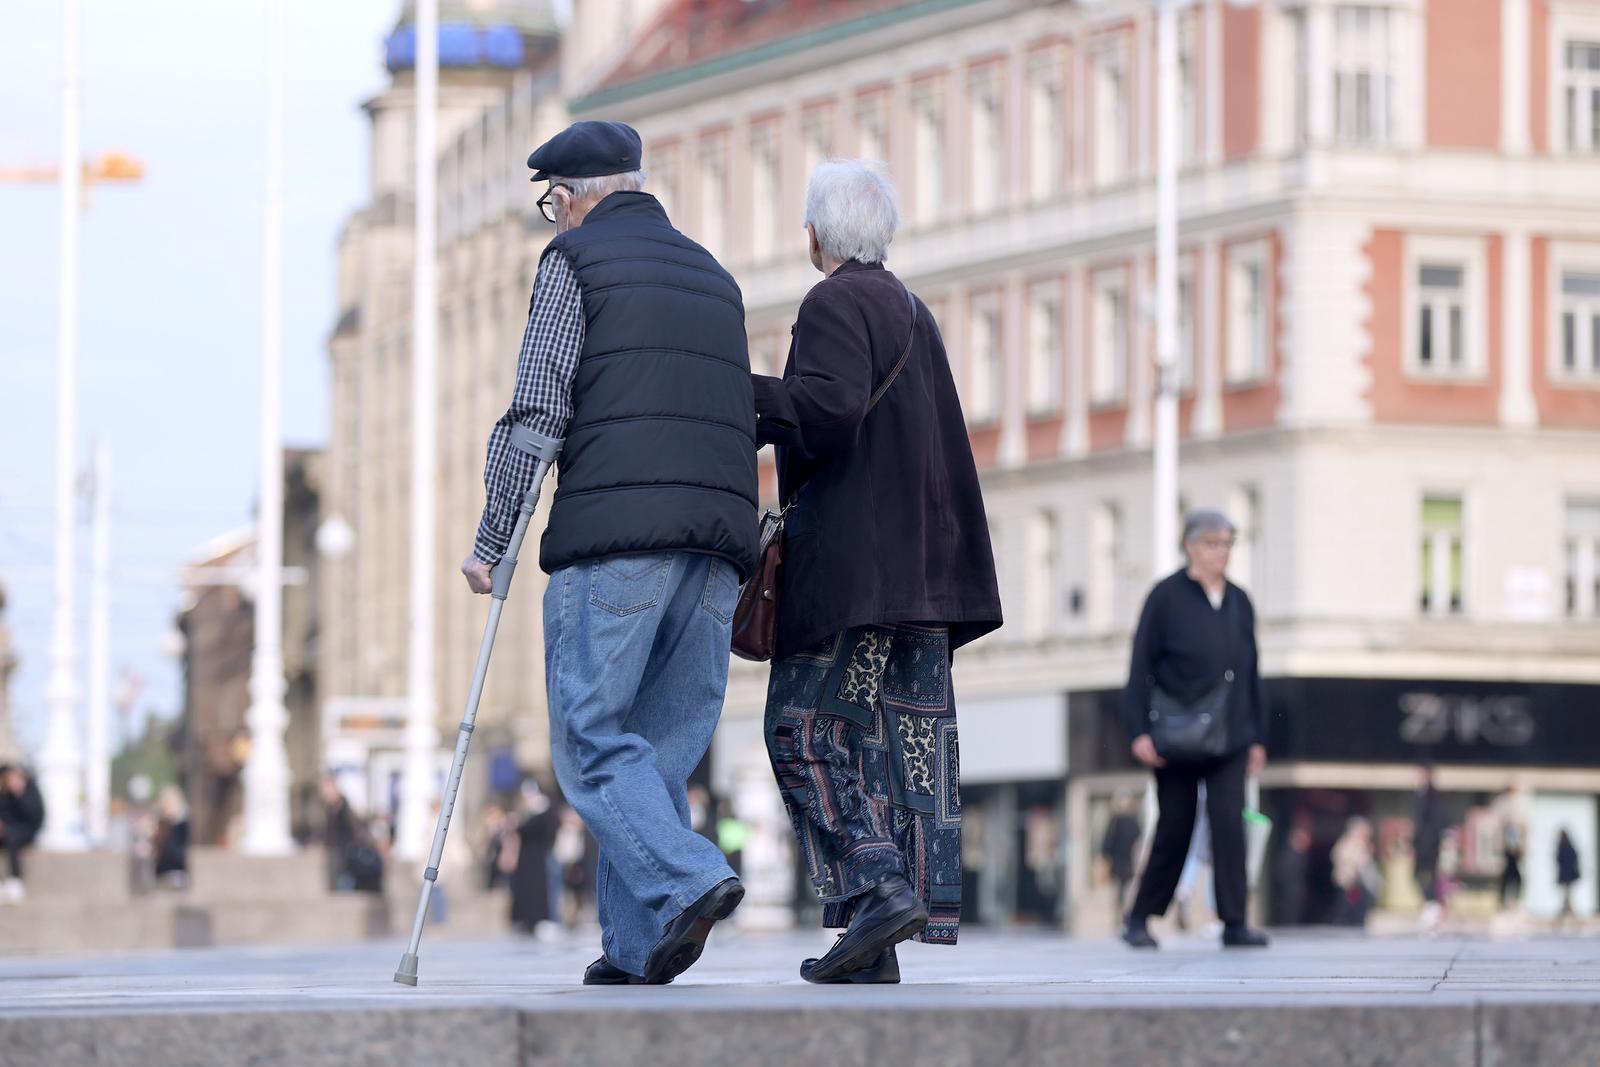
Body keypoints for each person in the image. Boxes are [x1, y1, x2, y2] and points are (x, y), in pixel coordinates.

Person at [461, 121, 758, 986]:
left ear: (574, 195)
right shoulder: (715, 275)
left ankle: (690, 874)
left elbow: (538, 410)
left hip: (616, 543)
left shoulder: (574, 264)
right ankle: (635, 948)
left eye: (551, 202)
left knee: (591, 739)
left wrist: (493, 536)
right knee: (656, 753)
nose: (553, 220)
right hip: (716, 549)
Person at [753, 160, 1003, 984]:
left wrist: (741, 392)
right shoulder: (911, 307)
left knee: (801, 729)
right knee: (891, 752)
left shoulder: (833, 301)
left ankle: (874, 880)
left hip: (857, 574)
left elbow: (826, 411)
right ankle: (874, 943)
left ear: (815, 235)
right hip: (925, 577)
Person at [1119, 510, 1271, 950]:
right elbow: (1139, 668)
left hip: (1231, 734)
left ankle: (1235, 920)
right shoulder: (1165, 597)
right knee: (1175, 826)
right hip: (1176, 734)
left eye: (1227, 544)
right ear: (1190, 545)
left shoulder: (1240, 601)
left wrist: (1257, 736)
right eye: (1213, 543)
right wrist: (1138, 730)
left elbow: (1252, 672)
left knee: (1230, 825)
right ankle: (1140, 916)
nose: (1221, 552)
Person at [0, 764, 44, 905]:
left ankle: (15, 881)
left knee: (12, 838)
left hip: (25, 830)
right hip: (5, 831)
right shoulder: (3, 793)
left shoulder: (29, 789)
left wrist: (19, 793)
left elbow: (36, 816)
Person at [1411, 765, 1447, 928]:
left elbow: (1439, 820)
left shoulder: (1433, 796)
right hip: (1421, 843)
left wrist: (1434, 839)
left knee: (1429, 874)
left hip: (1429, 843)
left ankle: (1432, 906)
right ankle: (1431, 904)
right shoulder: (1419, 795)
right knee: (1418, 874)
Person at [1100, 790, 1143, 920]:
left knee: (1128, 887)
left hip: (1128, 859)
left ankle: (1126, 913)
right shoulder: (1115, 820)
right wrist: (1106, 855)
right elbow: (1108, 839)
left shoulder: (1133, 819)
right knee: (1119, 888)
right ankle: (1119, 914)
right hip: (1117, 858)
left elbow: (1138, 838)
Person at [1330, 816, 1381, 928]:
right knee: (1350, 914)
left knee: (1358, 914)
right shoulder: (1348, 844)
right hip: (1349, 884)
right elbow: (1352, 861)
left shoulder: (1360, 844)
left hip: (1357, 885)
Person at [1494, 785, 1528, 910]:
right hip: (1507, 847)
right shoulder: (1503, 804)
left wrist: (1520, 845)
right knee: (1507, 873)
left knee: (1515, 874)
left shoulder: (1520, 804)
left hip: (1515, 847)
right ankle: (1505, 900)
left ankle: (1515, 900)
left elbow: (1522, 826)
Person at [151, 784, 191, 890]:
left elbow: (175, 850)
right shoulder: (162, 823)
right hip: (162, 870)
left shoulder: (181, 826)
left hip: (176, 870)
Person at [1272, 825, 1312, 927]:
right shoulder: (1289, 855)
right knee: (1288, 914)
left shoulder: (1299, 855)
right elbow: (1282, 872)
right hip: (1289, 890)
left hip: (1294, 890)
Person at [1557, 829, 1581, 922]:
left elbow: (1560, 859)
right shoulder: (1567, 846)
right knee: (1567, 891)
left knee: (1567, 891)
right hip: (1568, 873)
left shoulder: (1564, 846)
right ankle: (1567, 908)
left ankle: (1567, 908)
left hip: (1567, 873)